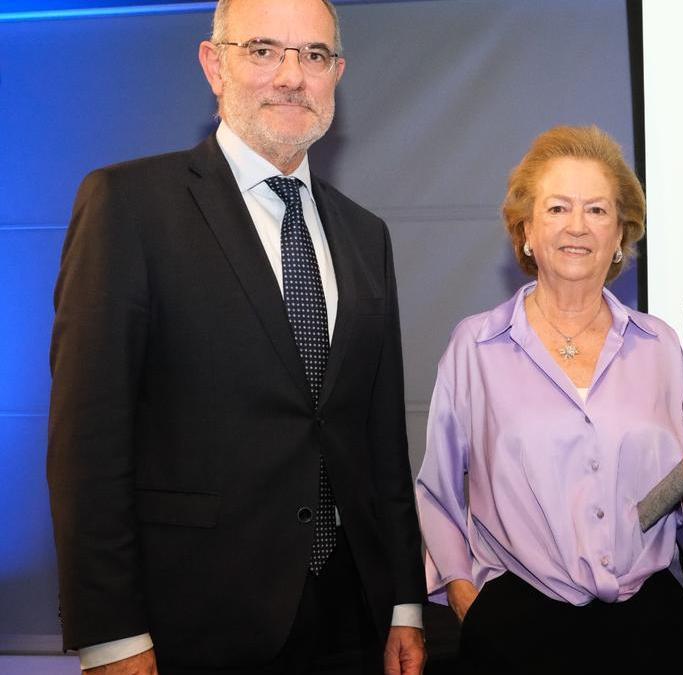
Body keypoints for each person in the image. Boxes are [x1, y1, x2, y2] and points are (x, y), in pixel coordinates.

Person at [46, 0, 426, 672]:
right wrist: (112, 634)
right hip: (189, 620)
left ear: (337, 73)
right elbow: (88, 441)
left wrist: (403, 602)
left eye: (313, 55)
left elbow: (380, 440)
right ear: (213, 65)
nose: (291, 75)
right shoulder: (128, 206)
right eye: (262, 50)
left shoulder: (368, 237)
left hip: (350, 615)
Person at [415, 125, 683, 675]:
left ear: (620, 236)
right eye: (558, 208)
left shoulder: (659, 345)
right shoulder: (476, 346)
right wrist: (465, 594)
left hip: (647, 625)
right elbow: (438, 489)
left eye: (597, 211)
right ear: (527, 232)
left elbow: (681, 491)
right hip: (515, 627)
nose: (577, 227)